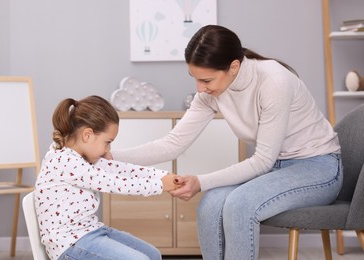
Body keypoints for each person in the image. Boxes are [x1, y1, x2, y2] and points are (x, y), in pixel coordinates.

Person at [111, 25, 343, 259]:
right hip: (275, 168)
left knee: (239, 205)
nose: (200, 88)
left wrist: (200, 181)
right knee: (210, 205)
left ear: (234, 67)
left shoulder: (274, 81)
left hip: (317, 168)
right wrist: (109, 156)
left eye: (207, 80)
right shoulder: (211, 93)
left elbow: (262, 160)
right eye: (195, 78)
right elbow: (172, 144)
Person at [34, 95, 179, 260]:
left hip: (91, 232)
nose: (107, 150)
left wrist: (163, 176)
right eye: (107, 142)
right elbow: (114, 183)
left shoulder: (81, 157)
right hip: (70, 245)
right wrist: (160, 185)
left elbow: (120, 169)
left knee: (152, 255)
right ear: (87, 135)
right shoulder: (65, 161)